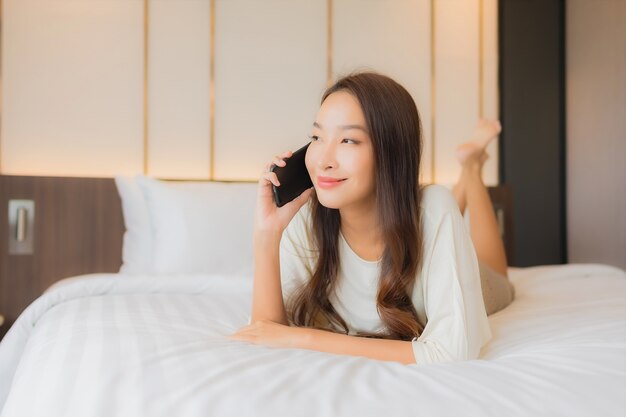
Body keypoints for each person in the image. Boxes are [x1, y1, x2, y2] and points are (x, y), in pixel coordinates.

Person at [229, 72, 514, 365]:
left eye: (348, 140)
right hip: (424, 216)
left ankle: (471, 169)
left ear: (390, 153)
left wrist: (304, 338)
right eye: (317, 137)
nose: (323, 160)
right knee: (433, 213)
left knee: (501, 278)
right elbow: (264, 333)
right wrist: (267, 234)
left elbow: (452, 350)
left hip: (464, 261)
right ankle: (469, 168)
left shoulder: (436, 206)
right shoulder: (304, 216)